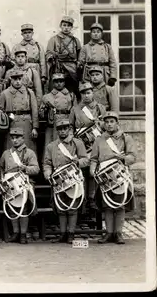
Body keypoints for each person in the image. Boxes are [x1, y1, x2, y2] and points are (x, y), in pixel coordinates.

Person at [90, 112, 136, 244]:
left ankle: (118, 233)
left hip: (120, 176)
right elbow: (93, 159)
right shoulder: (99, 140)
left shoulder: (125, 138)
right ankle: (109, 233)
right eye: (107, 122)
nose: (109, 124)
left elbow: (133, 157)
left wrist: (123, 158)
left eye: (112, 121)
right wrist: (93, 171)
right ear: (104, 124)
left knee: (120, 205)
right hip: (105, 177)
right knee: (107, 206)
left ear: (117, 123)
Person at [43, 119, 89, 244]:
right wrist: (47, 173)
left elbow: (86, 159)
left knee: (73, 207)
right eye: (60, 129)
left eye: (65, 128)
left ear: (69, 129)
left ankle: (71, 233)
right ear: (57, 131)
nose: (62, 131)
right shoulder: (51, 146)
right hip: (58, 179)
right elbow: (47, 163)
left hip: (73, 177)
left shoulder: (77, 143)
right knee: (61, 207)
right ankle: (63, 233)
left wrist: (78, 162)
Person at [0, 127, 40, 244]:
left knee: (24, 208)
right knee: (12, 207)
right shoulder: (6, 154)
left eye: (17, 138)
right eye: (12, 138)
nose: (15, 140)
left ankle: (23, 233)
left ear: (23, 138)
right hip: (10, 183)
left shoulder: (29, 153)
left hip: (24, 182)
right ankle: (16, 232)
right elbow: (1, 168)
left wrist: (25, 168)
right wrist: (0, 178)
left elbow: (36, 169)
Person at [69, 82, 107, 211]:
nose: (86, 95)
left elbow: (107, 126)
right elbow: (70, 128)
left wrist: (100, 124)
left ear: (93, 93)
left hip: (96, 143)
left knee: (93, 170)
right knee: (81, 170)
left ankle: (92, 199)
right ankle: (82, 199)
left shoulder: (100, 108)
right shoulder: (75, 109)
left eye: (88, 92)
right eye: (83, 93)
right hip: (81, 143)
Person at [0, 69, 39, 154]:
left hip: (26, 123)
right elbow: (0, 111)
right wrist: (5, 118)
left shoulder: (29, 92)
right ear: (11, 80)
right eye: (15, 79)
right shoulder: (5, 93)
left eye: (19, 79)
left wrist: (35, 127)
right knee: (12, 147)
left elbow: (34, 110)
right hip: (12, 123)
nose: (17, 82)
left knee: (27, 147)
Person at [39, 73, 76, 153]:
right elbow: (41, 114)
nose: (59, 83)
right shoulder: (47, 97)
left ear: (64, 82)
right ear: (53, 83)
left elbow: (75, 111)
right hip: (53, 123)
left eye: (61, 81)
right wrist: (45, 111)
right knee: (51, 144)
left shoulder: (71, 95)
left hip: (67, 120)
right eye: (56, 81)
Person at [46, 16, 82, 97]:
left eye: (68, 26)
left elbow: (80, 55)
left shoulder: (76, 40)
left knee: (73, 91)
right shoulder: (54, 39)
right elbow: (48, 52)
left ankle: (73, 108)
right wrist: (51, 57)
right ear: (60, 26)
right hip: (59, 67)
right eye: (64, 25)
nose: (66, 28)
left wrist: (79, 64)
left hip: (72, 69)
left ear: (72, 27)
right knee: (57, 90)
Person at [12, 23, 47, 88]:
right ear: (22, 34)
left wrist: (43, 76)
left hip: (36, 69)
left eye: (29, 32)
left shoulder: (38, 46)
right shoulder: (17, 47)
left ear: (32, 33)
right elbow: (13, 61)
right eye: (25, 33)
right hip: (22, 71)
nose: (27, 35)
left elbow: (43, 61)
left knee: (37, 88)